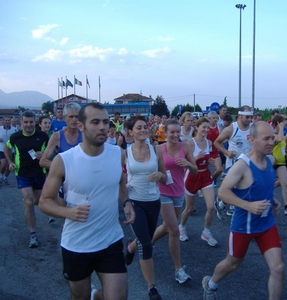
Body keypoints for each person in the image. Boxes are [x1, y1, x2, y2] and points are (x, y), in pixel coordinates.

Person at [38, 103, 135, 300]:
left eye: (106, 122)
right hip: (76, 244)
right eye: (95, 122)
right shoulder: (64, 160)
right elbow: (44, 201)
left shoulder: (118, 154)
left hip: (110, 240)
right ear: (80, 126)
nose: (102, 127)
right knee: (80, 297)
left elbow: (119, 183)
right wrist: (67, 213)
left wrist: (126, 203)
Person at [202, 121, 283, 300]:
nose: (271, 142)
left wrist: (272, 199)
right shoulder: (242, 165)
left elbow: (260, 187)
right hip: (243, 226)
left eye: (272, 138)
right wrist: (249, 206)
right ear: (251, 139)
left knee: (278, 267)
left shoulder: (270, 160)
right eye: (266, 139)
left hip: (266, 223)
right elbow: (223, 192)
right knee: (232, 264)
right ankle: (211, 284)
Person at [124, 116, 167, 300]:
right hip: (135, 201)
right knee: (147, 244)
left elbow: (165, 177)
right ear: (130, 132)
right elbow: (117, 176)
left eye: (144, 127)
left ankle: (129, 249)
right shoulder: (124, 153)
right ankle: (152, 287)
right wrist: (123, 186)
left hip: (153, 201)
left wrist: (159, 174)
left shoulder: (156, 149)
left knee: (145, 239)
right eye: (138, 127)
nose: (142, 130)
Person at [151, 119, 198, 284]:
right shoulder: (158, 149)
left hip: (178, 192)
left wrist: (187, 163)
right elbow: (150, 170)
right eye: (172, 132)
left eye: (178, 132)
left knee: (165, 226)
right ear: (165, 132)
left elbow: (195, 170)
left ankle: (139, 245)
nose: (176, 135)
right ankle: (179, 270)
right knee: (174, 230)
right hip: (162, 192)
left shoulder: (184, 147)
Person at [4, 111, 49, 248]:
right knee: (29, 201)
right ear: (21, 122)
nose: (28, 125)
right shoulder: (15, 137)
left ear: (34, 122)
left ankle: (30, 200)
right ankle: (32, 234)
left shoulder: (42, 135)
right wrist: (10, 162)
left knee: (37, 201)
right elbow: (7, 148)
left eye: (30, 122)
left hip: (39, 172)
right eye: (25, 122)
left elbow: (51, 150)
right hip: (22, 173)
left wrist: (44, 154)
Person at [178, 117, 219, 246]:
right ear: (197, 128)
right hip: (192, 176)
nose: (206, 130)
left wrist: (210, 161)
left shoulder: (209, 143)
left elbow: (208, 159)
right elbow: (185, 164)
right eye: (204, 127)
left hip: (205, 175)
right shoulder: (190, 143)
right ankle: (181, 227)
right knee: (189, 208)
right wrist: (196, 157)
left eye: (208, 128)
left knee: (211, 207)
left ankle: (206, 232)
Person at [214, 105, 253, 216]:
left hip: (248, 162)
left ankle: (221, 204)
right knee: (235, 185)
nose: (250, 119)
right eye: (247, 117)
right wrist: (226, 153)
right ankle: (233, 207)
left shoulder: (253, 127)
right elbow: (217, 142)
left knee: (244, 185)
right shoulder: (232, 128)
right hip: (233, 162)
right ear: (240, 116)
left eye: (251, 117)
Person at [272, 115, 287, 215]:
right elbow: (277, 139)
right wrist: (281, 127)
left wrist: (286, 151)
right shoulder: (272, 133)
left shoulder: (282, 134)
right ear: (278, 123)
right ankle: (265, 189)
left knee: (285, 183)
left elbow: (282, 144)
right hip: (271, 161)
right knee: (268, 182)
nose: (286, 123)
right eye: (283, 122)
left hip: (281, 162)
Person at [0, 116, 17, 185]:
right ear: (3, 121)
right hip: (1, 149)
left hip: (11, 150)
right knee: (3, 163)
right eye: (6, 120)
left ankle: (5, 177)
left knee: (9, 165)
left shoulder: (14, 129)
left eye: (8, 120)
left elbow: (17, 139)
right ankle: (0, 176)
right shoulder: (0, 128)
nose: (7, 122)